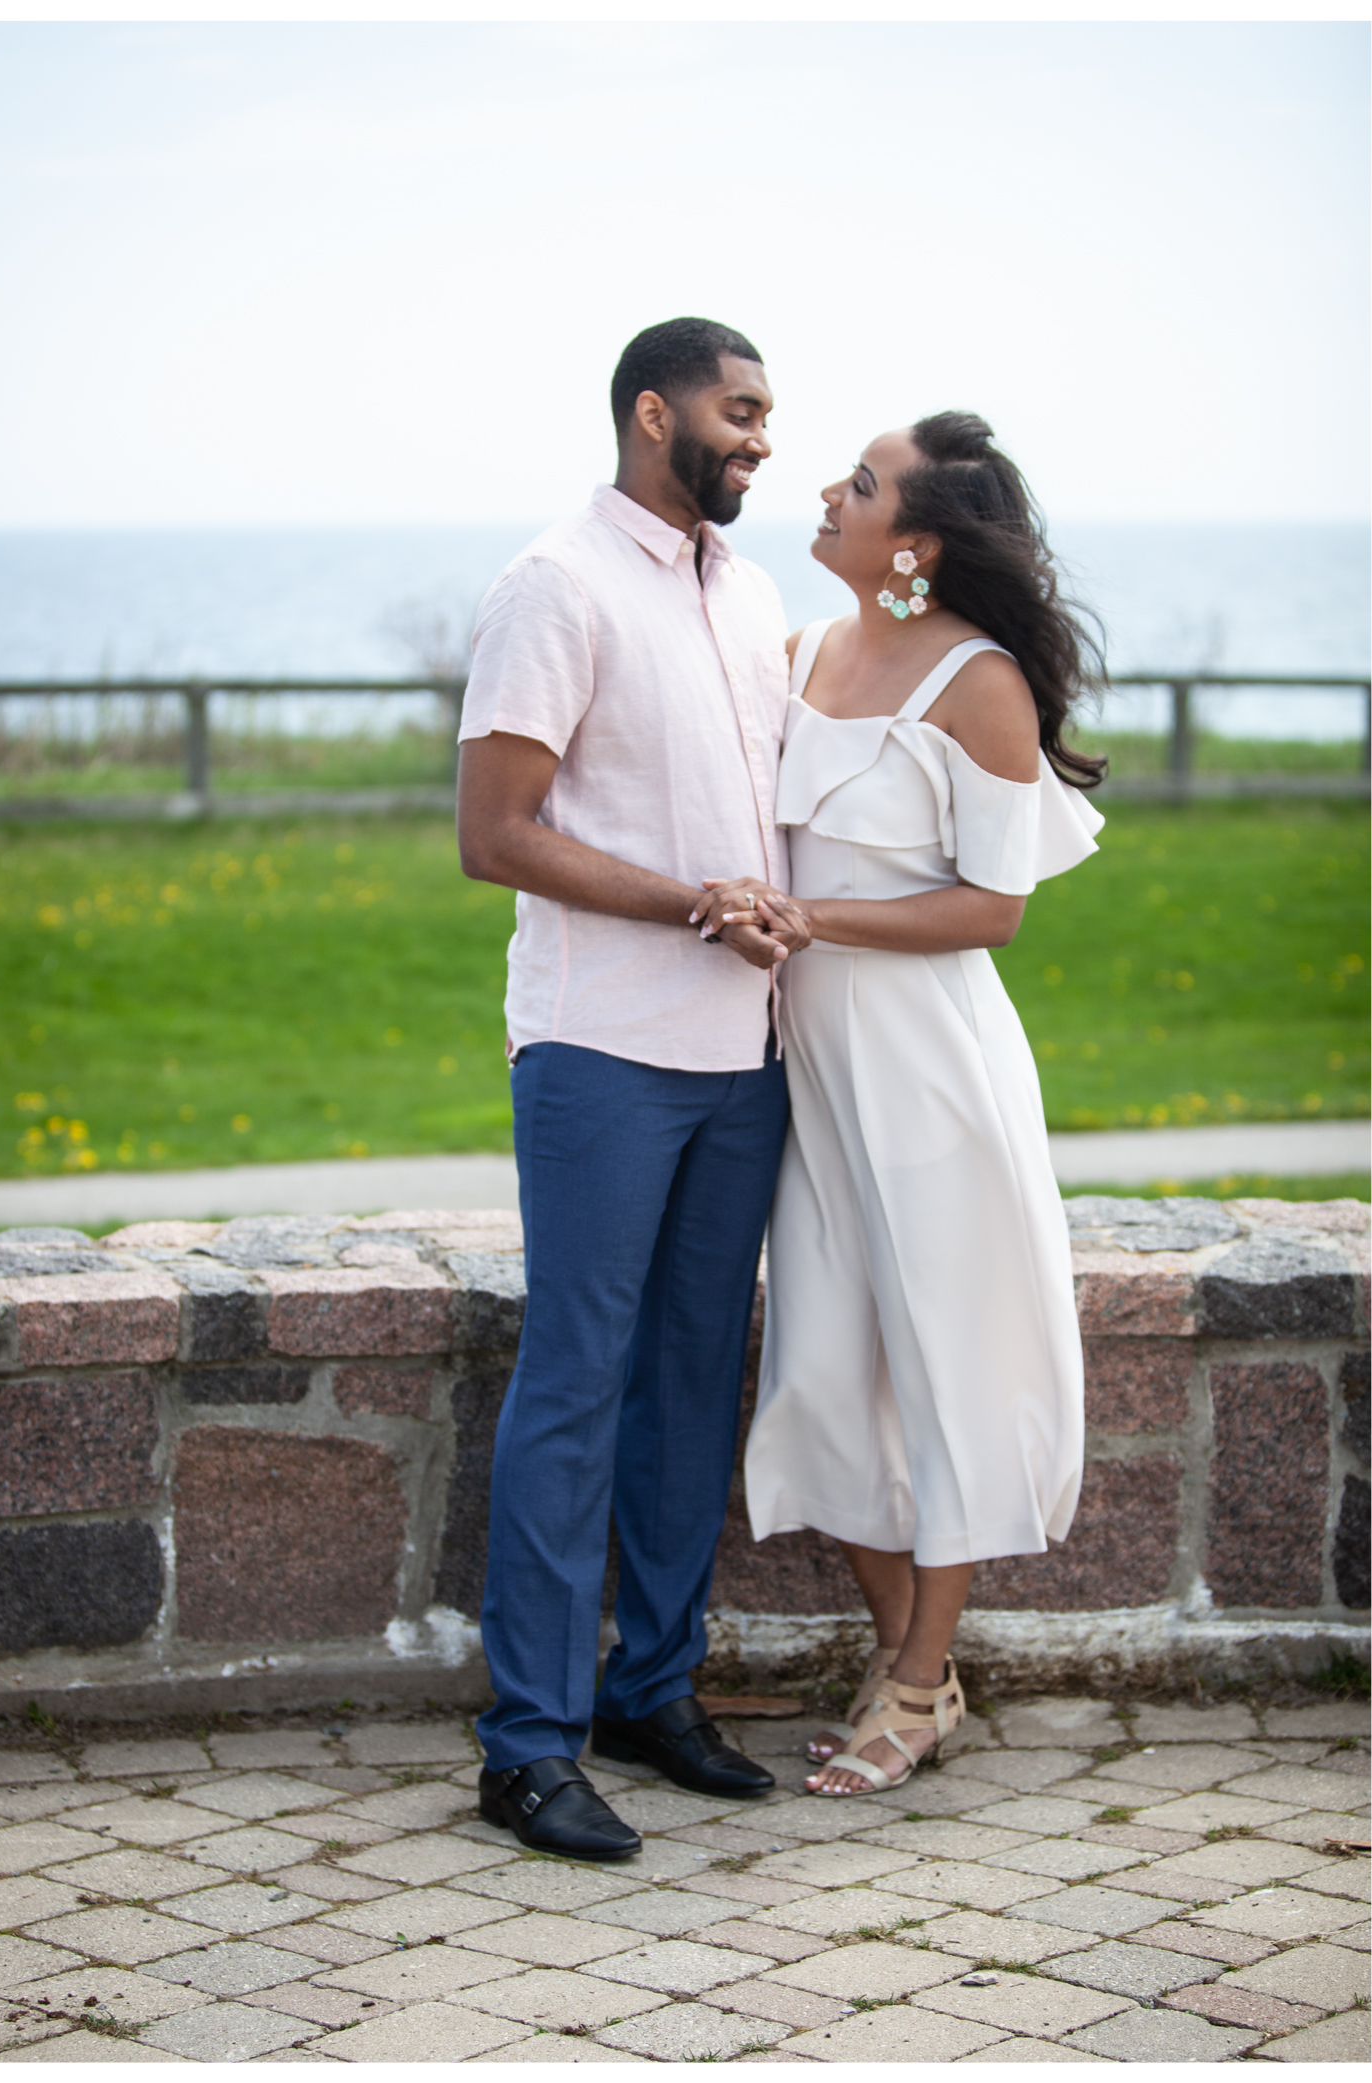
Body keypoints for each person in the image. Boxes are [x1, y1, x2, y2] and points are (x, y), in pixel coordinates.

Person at [696, 410, 1106, 1796]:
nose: (826, 489)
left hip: (930, 1077)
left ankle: (922, 1683)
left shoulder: (975, 683)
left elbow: (992, 910)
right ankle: (908, 1663)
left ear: (915, 545)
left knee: (944, 1367)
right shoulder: (802, 652)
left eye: (861, 484)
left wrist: (805, 918)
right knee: (818, 1374)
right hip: (805, 1076)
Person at [452, 317, 801, 1859]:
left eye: (771, 416)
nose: (761, 440)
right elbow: (495, 833)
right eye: (739, 412)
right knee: (576, 1387)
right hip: (601, 1049)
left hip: (749, 1059)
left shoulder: (760, 597)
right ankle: (525, 1748)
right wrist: (686, 902)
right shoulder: (554, 585)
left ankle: (649, 1691)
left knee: (689, 1388)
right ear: (652, 412)